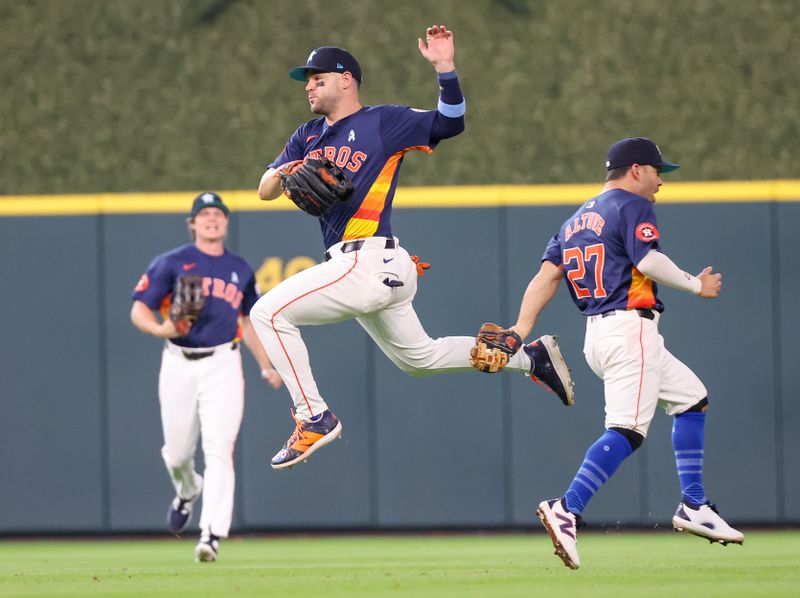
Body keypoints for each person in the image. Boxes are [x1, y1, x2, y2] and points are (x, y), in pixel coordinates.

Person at [251, 25, 574, 471]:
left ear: (347, 79)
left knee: (266, 312)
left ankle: (314, 417)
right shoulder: (307, 135)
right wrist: (290, 170)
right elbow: (265, 188)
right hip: (371, 268)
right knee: (419, 359)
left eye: (318, 77)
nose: (309, 85)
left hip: (367, 259)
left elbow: (451, 121)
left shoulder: (382, 122)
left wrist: (445, 68)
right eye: (307, 79)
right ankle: (531, 358)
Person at [506, 137, 743, 570]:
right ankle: (567, 508)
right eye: (657, 172)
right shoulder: (631, 205)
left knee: (692, 398)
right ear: (635, 170)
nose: (659, 183)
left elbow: (546, 277)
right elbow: (649, 261)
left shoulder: (576, 220)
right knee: (627, 431)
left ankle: (694, 505)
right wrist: (696, 284)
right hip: (630, 327)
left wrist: (521, 328)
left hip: (599, 334)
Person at [130, 192, 282, 563]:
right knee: (178, 452)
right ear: (193, 223)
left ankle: (211, 534)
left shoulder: (241, 269)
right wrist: (160, 329)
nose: (212, 218)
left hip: (223, 363)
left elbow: (247, 322)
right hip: (179, 361)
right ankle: (187, 490)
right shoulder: (171, 263)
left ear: (226, 223)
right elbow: (139, 308)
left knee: (219, 449)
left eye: (218, 213)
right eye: (205, 214)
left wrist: (266, 363)